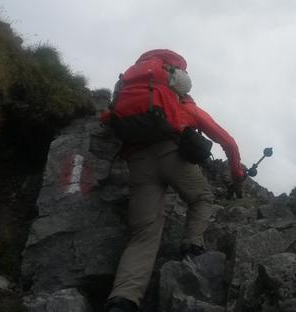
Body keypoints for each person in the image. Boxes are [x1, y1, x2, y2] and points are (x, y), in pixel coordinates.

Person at [102, 49, 245, 312]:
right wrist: (237, 175)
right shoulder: (186, 106)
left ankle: (123, 299)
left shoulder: (129, 93)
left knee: (143, 233)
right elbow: (229, 143)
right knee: (202, 197)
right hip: (171, 154)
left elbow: (108, 118)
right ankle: (192, 245)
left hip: (137, 161)